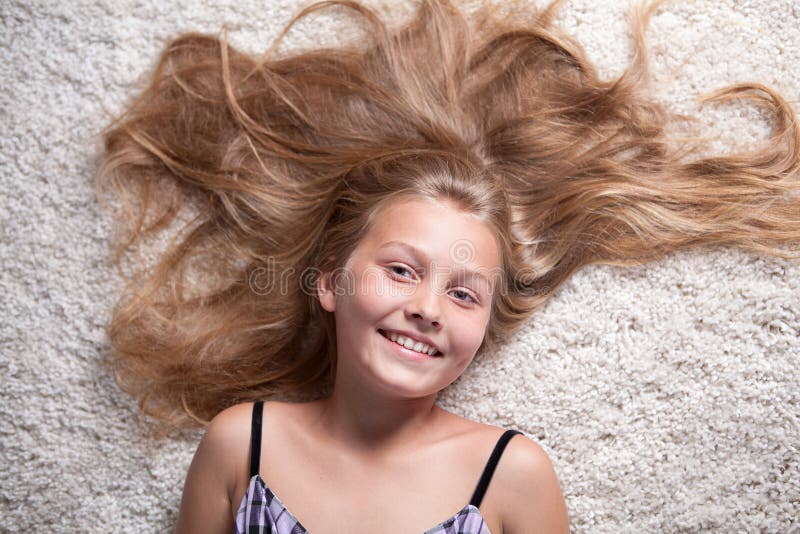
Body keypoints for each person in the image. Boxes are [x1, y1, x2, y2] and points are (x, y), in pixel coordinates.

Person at [95, 0, 800, 532]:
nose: (428, 306)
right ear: (331, 281)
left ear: (485, 328)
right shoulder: (239, 448)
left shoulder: (511, 477)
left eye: (464, 294)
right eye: (402, 270)